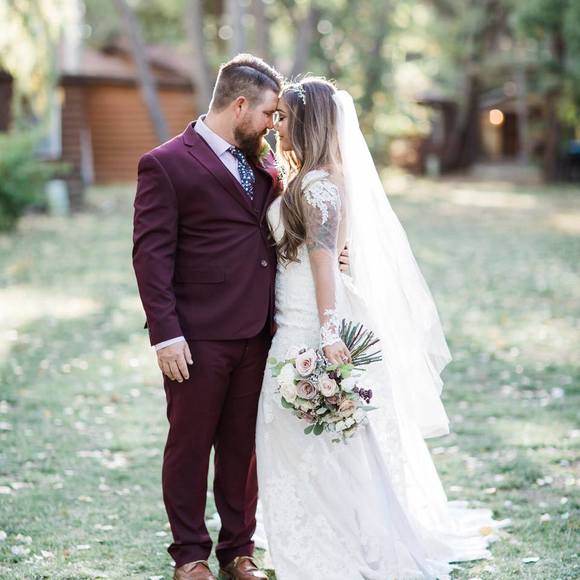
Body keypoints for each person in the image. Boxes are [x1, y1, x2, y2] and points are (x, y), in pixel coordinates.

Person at [255, 77, 505, 579]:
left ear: (307, 123)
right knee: (307, 436)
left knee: (306, 432)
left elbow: (323, 263)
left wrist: (327, 335)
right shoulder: (315, 177)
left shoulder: (319, 185)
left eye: (283, 117)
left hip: (309, 321)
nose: (275, 126)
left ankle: (335, 539)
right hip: (293, 311)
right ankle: (317, 529)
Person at [133, 56, 350, 580]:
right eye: (270, 113)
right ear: (239, 105)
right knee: (189, 446)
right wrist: (165, 335)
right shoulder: (166, 163)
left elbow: (288, 231)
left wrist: (334, 254)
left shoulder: (265, 162)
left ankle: (238, 552)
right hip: (197, 335)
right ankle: (190, 556)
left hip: (262, 330)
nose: (275, 124)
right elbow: (150, 255)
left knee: (242, 449)